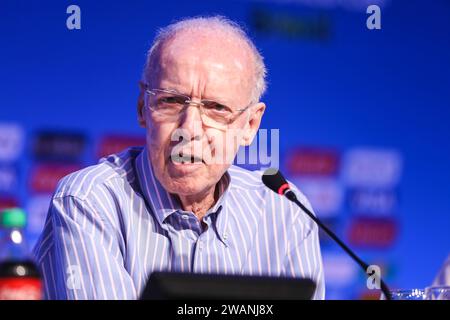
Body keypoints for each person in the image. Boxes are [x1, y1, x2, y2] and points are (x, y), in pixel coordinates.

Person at [33, 16, 325, 299]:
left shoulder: (285, 212)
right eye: (171, 101)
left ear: (250, 125)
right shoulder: (90, 201)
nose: (189, 129)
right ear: (142, 107)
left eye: (216, 108)